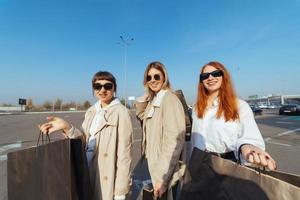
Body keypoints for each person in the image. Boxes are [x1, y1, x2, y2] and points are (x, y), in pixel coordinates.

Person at [39, 71, 133, 200]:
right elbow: (84, 142)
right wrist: (67, 127)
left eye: (108, 86)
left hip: (105, 179)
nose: (102, 90)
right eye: (97, 86)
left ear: (114, 88)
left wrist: (120, 192)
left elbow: (125, 155)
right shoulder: (91, 112)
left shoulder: (121, 113)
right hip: (86, 172)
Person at [191, 61, 276, 169]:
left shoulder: (240, 106)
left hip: (226, 165)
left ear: (224, 76)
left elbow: (249, 136)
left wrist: (247, 147)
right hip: (199, 163)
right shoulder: (196, 108)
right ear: (201, 81)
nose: (210, 77)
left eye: (216, 73)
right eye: (205, 75)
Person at [135, 61, 186, 200]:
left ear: (164, 77)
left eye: (156, 76)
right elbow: (142, 117)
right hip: (157, 167)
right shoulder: (155, 100)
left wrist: (162, 178)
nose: (152, 80)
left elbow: (174, 142)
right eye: (148, 77)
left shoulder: (169, 99)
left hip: (166, 171)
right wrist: (143, 99)